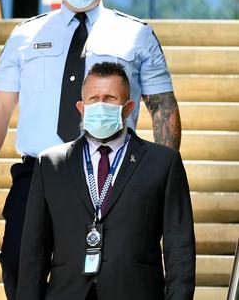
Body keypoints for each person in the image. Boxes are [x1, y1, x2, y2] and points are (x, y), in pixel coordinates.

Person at [0, 0, 182, 297]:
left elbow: (162, 105)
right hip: (38, 172)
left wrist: (163, 174)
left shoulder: (135, 35)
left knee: (110, 273)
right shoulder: (25, 35)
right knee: (19, 262)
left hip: (112, 173)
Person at [16, 62, 195, 299]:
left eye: (110, 98)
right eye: (93, 99)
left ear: (128, 107)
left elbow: (179, 249)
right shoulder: (50, 164)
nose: (101, 105)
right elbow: (33, 251)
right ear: (81, 107)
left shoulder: (163, 163)